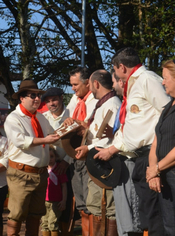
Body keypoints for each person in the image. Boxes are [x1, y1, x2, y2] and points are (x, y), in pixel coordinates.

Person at [94, 47, 169, 236]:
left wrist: (156, 159)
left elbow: (168, 113)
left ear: (121, 67)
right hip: (139, 158)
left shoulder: (147, 80)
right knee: (147, 216)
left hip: (151, 156)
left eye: (115, 69)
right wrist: (113, 148)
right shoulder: (134, 85)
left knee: (155, 217)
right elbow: (132, 126)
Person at [4, 79, 60, 236]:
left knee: (36, 214)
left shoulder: (41, 118)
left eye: (38, 95)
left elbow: (54, 136)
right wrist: (45, 140)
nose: (37, 98)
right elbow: (20, 141)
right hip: (21, 174)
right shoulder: (14, 118)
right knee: (16, 214)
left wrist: (70, 126)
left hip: (40, 174)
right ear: (21, 98)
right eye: (32, 95)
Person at [73, 69, 121, 235]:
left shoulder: (112, 104)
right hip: (97, 164)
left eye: (90, 84)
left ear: (95, 84)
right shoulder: (103, 104)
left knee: (107, 209)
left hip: (106, 167)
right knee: (96, 207)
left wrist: (88, 148)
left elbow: (110, 139)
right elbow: (100, 133)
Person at [64, 67, 98, 235]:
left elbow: (98, 128)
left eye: (75, 84)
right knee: (81, 203)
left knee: (92, 203)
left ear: (87, 83)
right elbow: (67, 119)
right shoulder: (76, 99)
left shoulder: (96, 99)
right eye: (71, 84)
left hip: (90, 155)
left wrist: (82, 124)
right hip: (75, 155)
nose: (73, 88)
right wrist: (70, 121)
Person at [146, 59, 175, 235]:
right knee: (168, 226)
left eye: (165, 78)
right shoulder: (167, 108)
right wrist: (153, 171)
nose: (162, 82)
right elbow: (156, 142)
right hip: (163, 177)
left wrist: (157, 168)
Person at [41, 87, 74, 235]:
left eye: (54, 99)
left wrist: (67, 161)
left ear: (62, 98)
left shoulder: (71, 114)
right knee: (47, 205)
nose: (51, 104)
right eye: (47, 101)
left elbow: (79, 141)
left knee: (66, 205)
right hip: (49, 167)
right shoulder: (42, 118)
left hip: (69, 165)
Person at [41, 145, 68, 236]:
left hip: (56, 202)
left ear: (56, 157)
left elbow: (64, 186)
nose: (50, 159)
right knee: (44, 223)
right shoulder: (42, 170)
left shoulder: (59, 170)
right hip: (44, 201)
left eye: (52, 156)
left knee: (52, 223)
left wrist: (64, 201)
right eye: (47, 157)